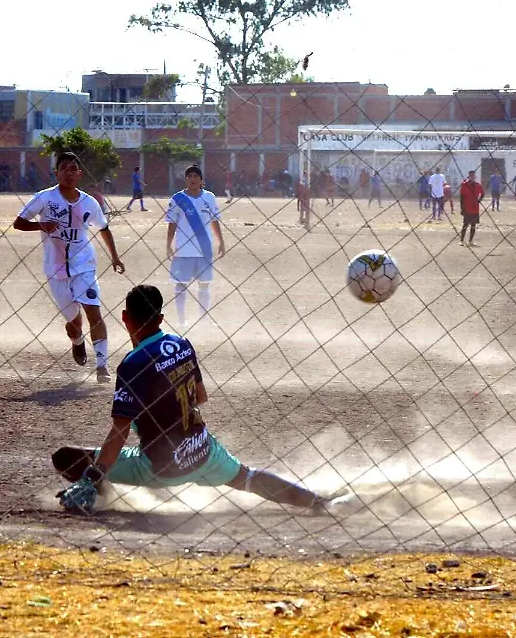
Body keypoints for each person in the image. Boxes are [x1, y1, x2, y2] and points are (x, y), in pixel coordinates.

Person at [51, 284, 354, 516]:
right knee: (248, 477)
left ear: (125, 318)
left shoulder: (133, 363)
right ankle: (319, 503)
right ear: (161, 317)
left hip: (160, 467)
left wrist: (94, 474)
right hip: (203, 451)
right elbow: (201, 396)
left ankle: (104, 498)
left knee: (66, 458)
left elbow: (119, 431)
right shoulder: (180, 343)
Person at [13, 152, 126, 383]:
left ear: (79, 174)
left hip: (84, 265)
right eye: (64, 168)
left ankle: (102, 367)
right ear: (56, 173)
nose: (69, 173)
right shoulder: (44, 198)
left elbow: (103, 228)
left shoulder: (89, 202)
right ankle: (77, 341)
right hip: (55, 270)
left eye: (73, 168)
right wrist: (41, 225)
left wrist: (115, 257)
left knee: (94, 312)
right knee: (74, 324)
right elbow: (18, 222)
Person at [166, 165, 225, 326]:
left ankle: (203, 320)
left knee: (204, 284)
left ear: (201, 180)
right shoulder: (177, 199)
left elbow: (214, 221)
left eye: (195, 176)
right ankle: (181, 320)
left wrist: (221, 241)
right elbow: (172, 223)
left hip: (204, 249)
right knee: (180, 284)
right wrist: (168, 244)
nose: (192, 179)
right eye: (189, 176)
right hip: (183, 249)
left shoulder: (209, 198)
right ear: (185, 179)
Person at [459, 170, 484, 246]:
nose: (472, 177)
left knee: (473, 225)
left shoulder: (478, 185)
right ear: (468, 177)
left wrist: (479, 200)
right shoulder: (464, 185)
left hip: (475, 208)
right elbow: (461, 197)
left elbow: (482, 193)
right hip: (467, 208)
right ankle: (462, 240)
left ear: (475, 177)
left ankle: (470, 241)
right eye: (470, 176)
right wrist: (462, 208)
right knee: (465, 225)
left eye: (473, 176)